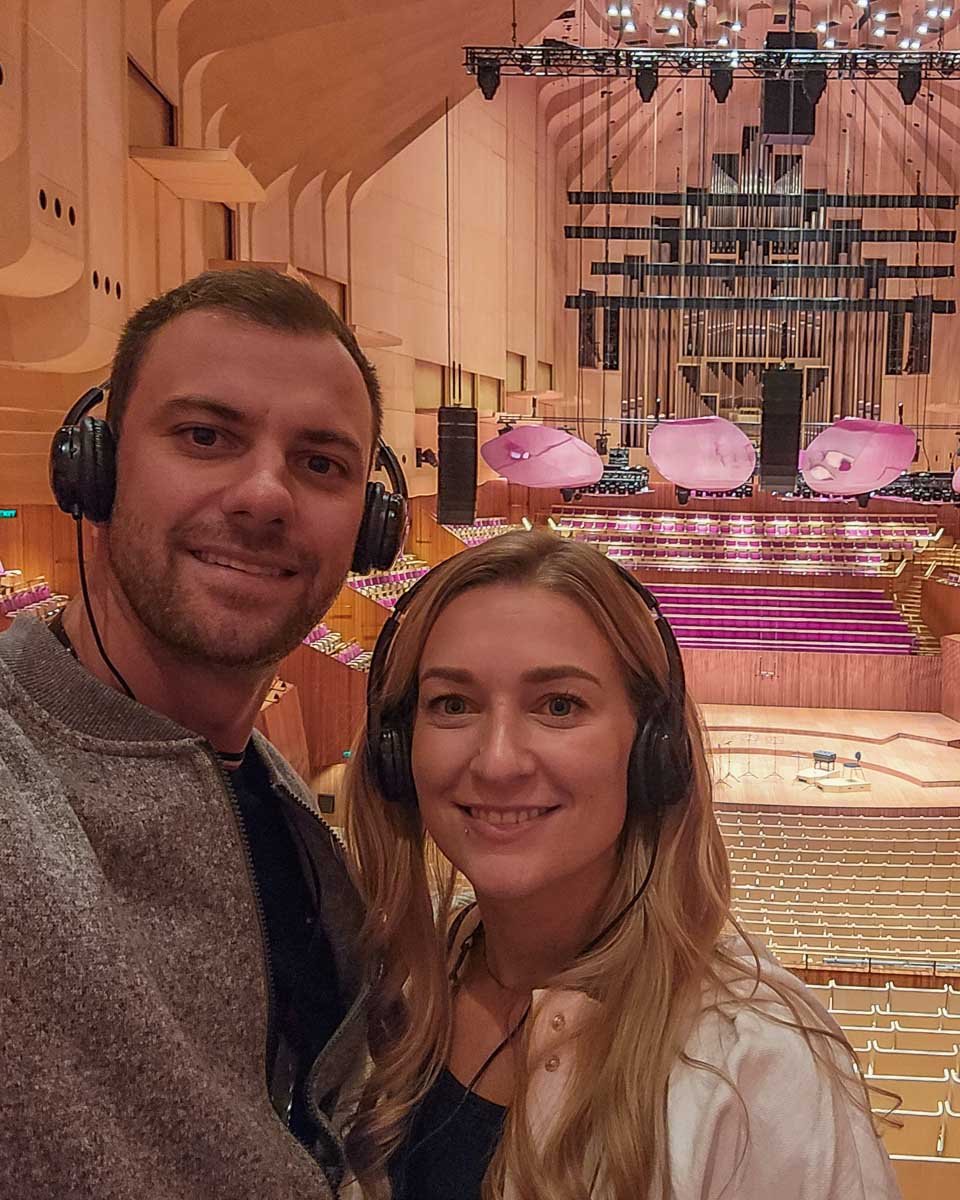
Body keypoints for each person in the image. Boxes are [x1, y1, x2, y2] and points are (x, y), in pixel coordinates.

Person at [341, 531, 902, 1200]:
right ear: (397, 750)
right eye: (452, 705)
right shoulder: (384, 1000)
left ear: (653, 752)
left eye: (559, 705)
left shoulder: (760, 1071)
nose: (496, 761)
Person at [0, 267, 388, 1199]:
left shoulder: (276, 798)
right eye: (205, 437)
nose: (264, 495)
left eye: (321, 464)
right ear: (95, 471)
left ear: (370, 527)